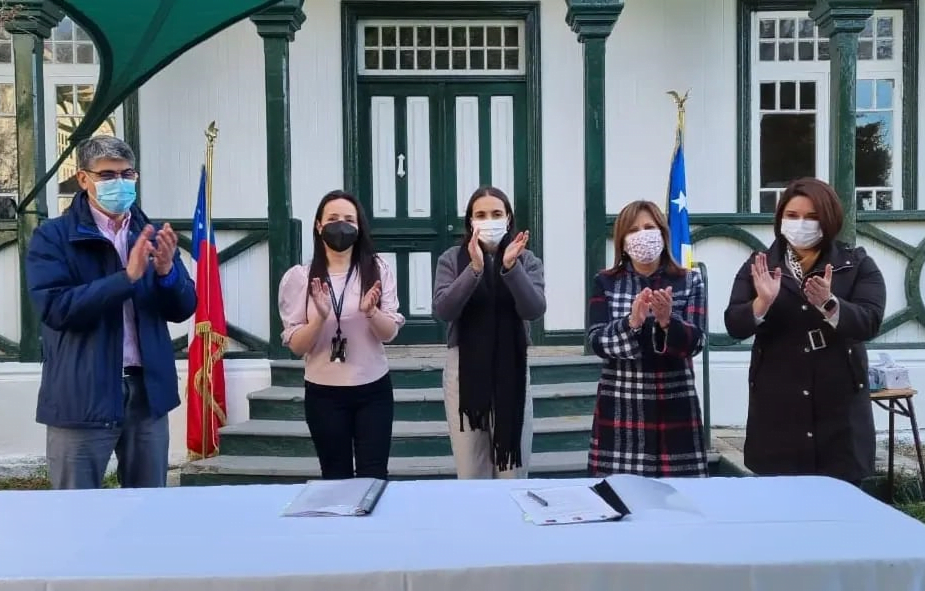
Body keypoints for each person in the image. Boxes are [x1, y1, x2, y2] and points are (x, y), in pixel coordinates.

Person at [25, 135, 196, 490]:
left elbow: (184, 308)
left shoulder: (150, 233)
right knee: (76, 510)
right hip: (82, 394)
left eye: (127, 173)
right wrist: (126, 279)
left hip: (147, 393)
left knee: (148, 509)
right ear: (83, 179)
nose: (119, 182)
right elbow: (56, 309)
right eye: (107, 175)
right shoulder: (53, 237)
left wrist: (167, 273)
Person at [724, 177, 886, 485]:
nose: (801, 224)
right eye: (792, 215)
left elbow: (870, 321)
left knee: (838, 500)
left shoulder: (856, 264)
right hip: (777, 403)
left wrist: (830, 304)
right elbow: (734, 324)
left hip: (838, 405)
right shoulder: (759, 265)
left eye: (812, 217)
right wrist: (761, 302)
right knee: (780, 500)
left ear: (829, 220)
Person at [278, 190, 404, 480]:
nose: (341, 225)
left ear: (359, 227)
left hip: (373, 389)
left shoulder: (377, 270)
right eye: (333, 218)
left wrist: (371, 312)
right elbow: (297, 346)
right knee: (335, 477)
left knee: (374, 475)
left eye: (349, 219)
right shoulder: (300, 277)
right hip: (324, 394)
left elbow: (389, 333)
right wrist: (319, 319)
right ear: (318, 225)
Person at [587, 200, 708, 477]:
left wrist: (668, 322)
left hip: (675, 405)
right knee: (619, 495)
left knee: (679, 496)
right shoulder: (605, 281)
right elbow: (596, 341)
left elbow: (697, 342)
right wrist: (631, 324)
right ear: (622, 241)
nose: (642, 235)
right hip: (622, 408)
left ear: (663, 234)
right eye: (633, 230)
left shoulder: (690, 280)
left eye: (649, 227)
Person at [432, 186, 546, 479]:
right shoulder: (451, 259)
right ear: (470, 221)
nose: (489, 220)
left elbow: (534, 309)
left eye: (496, 213)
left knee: (511, 470)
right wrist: (474, 268)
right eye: (480, 215)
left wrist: (511, 267)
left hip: (512, 368)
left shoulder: (527, 260)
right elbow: (444, 310)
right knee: (472, 468)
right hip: (465, 370)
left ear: (508, 218)